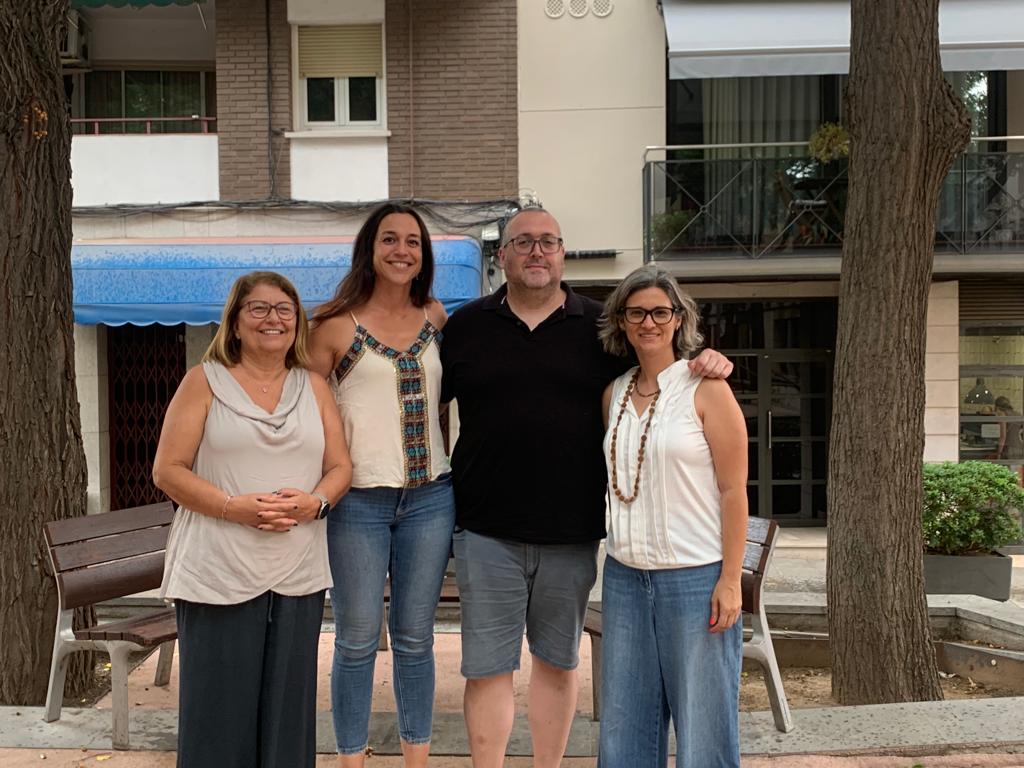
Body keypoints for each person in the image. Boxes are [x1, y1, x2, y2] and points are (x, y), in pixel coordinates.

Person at [439, 208, 733, 768]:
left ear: (562, 252)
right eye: (523, 242)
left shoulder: (602, 328)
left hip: (572, 533)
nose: (536, 251)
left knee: (558, 663)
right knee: (487, 669)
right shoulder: (466, 326)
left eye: (548, 241)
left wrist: (705, 358)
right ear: (502, 254)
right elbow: (431, 403)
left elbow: (658, 357)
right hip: (483, 531)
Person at [154, 271, 352, 768]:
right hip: (218, 569)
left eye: (285, 309)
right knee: (217, 719)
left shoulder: (314, 386)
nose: (273, 319)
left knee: (288, 720)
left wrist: (316, 503)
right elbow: (168, 470)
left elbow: (340, 467)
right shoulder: (203, 382)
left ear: (297, 322)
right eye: (259, 308)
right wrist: (231, 507)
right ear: (236, 322)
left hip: (296, 571)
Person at [309, 203, 454, 768]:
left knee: (416, 638)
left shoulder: (435, 316)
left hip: (431, 499)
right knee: (356, 638)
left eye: (413, 241)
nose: (402, 250)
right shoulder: (333, 326)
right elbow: (305, 414)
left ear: (424, 255)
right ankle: (352, 759)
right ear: (369, 249)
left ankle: (416, 760)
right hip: (357, 503)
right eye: (389, 239)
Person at [596, 265, 747, 768]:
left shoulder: (706, 388)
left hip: (694, 577)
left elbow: (733, 490)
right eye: (636, 312)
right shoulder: (614, 394)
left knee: (704, 726)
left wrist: (730, 579)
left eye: (661, 312)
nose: (649, 323)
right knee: (625, 725)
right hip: (624, 577)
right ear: (621, 321)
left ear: (679, 319)